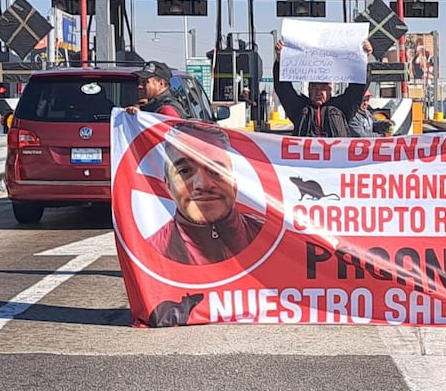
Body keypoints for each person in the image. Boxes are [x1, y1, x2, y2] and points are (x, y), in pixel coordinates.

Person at [147, 122, 264, 265]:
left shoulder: (272, 238)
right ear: (168, 185)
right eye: (184, 171)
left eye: (216, 170)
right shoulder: (150, 251)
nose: (203, 184)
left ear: (234, 182)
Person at [273, 38, 372, 137]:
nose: (318, 92)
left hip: (335, 152)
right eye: (314, 87)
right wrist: (280, 59)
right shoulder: (298, 107)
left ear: (330, 89)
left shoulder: (343, 106)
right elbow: (283, 88)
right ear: (308, 90)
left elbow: (359, 87)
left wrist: (365, 57)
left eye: (323, 87)